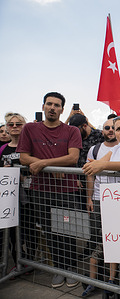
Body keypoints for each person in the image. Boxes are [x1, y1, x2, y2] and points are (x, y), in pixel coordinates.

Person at [17, 91, 82, 288]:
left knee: (68, 232)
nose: (52, 108)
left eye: (57, 105)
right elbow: (23, 157)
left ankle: (71, 270)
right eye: (49, 104)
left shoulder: (72, 131)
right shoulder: (29, 129)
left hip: (67, 191)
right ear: (43, 106)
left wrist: (44, 164)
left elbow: (73, 158)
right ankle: (58, 270)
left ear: (63, 109)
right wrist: (49, 167)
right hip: (41, 191)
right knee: (50, 231)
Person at [81, 116, 120, 297]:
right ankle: (107, 282)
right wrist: (97, 165)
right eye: (118, 129)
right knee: (107, 242)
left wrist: (101, 165)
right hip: (110, 206)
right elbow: (98, 164)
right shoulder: (115, 149)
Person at [0, 112, 33, 274]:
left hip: (31, 196)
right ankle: (18, 261)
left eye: (18, 124)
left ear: (24, 126)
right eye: (11, 124)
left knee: (30, 228)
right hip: (9, 198)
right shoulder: (2, 149)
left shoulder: (31, 147)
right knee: (12, 232)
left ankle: (32, 261)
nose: (14, 127)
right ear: (6, 127)